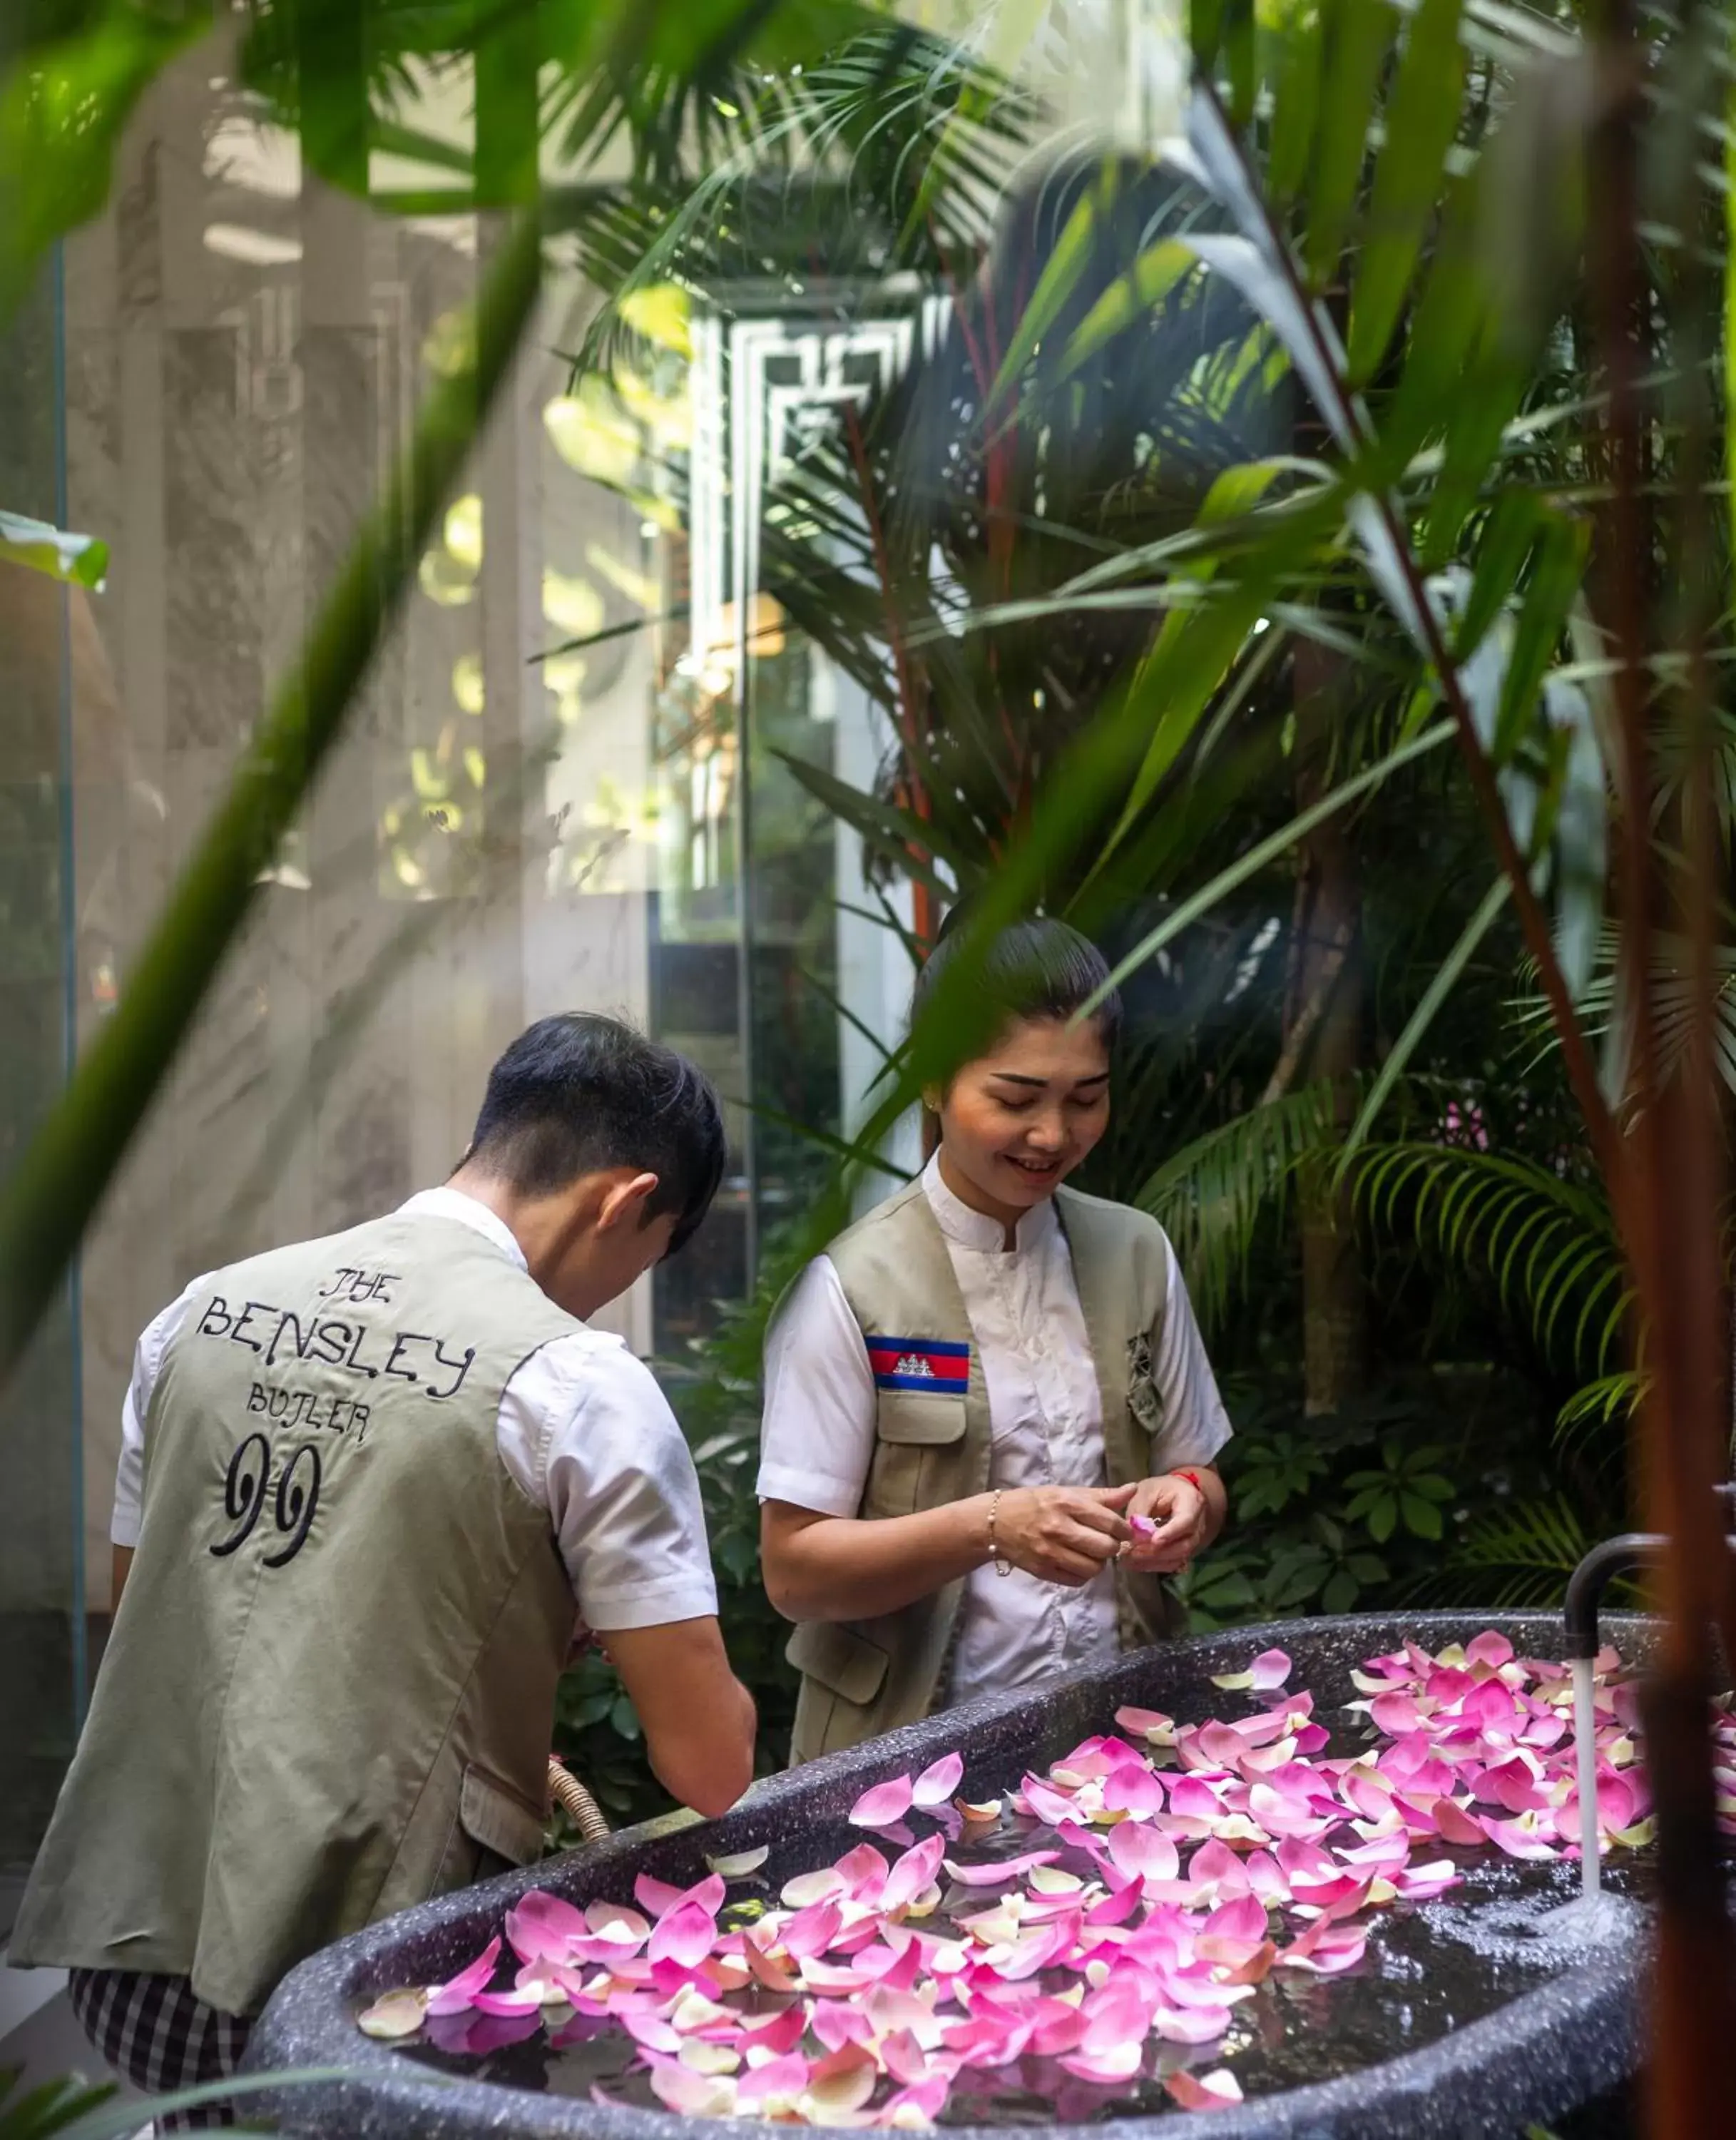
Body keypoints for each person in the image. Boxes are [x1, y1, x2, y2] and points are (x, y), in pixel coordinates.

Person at [11, 1013, 757, 2124]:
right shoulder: (577, 1383)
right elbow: (708, 1764)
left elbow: (154, 1611)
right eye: (642, 1261)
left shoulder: (200, 1313)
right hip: (364, 1975)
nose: (612, 1294)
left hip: (132, 1953)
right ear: (622, 1201)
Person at [758, 914, 1231, 1763]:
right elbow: (794, 1572)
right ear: (934, 1084)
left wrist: (1191, 1501)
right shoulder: (849, 1286)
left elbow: (1198, 1468)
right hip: (905, 1766)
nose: (1053, 1135)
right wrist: (989, 1526)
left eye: (1085, 1098)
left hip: (1121, 1750)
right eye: (1015, 1099)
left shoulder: (1136, 1253)